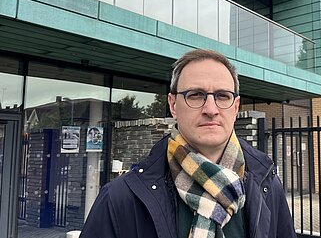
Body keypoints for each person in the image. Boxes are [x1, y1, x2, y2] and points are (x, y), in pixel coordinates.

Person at [80, 49, 296, 238]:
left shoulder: (267, 186)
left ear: (236, 106)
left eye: (222, 96)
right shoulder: (121, 198)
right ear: (173, 105)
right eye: (195, 95)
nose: (211, 109)